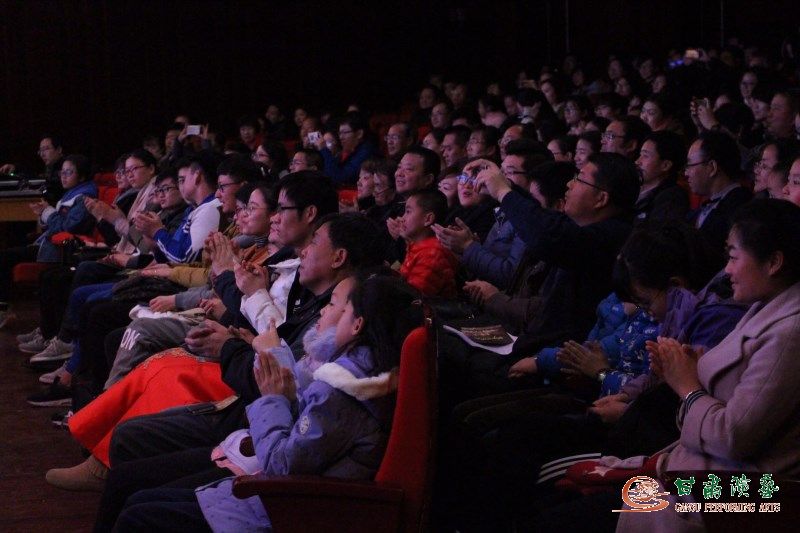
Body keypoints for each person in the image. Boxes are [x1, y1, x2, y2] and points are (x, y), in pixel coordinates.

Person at [111, 274, 424, 532]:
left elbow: (281, 464)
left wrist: (273, 396)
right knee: (136, 498)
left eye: (336, 306)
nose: (324, 313)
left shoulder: (344, 389)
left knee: (136, 513)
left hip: (285, 508)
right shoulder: (362, 374)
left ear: (357, 325)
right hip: (282, 493)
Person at [616, 199, 800, 532]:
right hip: (699, 473)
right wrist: (691, 366)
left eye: (733, 257)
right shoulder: (764, 308)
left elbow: (733, 436)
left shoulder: (790, 333)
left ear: (773, 262)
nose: (726, 270)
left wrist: (687, 385)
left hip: (735, 497)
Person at [0, 154, 97, 328]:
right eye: (62, 172)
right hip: (50, 243)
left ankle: (4, 309)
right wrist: (44, 214)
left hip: (62, 249)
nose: (63, 176)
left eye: (69, 172)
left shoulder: (84, 196)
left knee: (5, 257)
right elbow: (58, 224)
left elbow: (67, 228)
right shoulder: (72, 193)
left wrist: (48, 213)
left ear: (82, 176)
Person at [685, 131, 753, 264]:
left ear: (712, 167)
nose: (686, 173)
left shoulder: (739, 209)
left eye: (690, 165)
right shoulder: (705, 206)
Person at [399, 189, 458, 298]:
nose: (402, 218)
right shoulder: (417, 245)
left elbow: (414, 298)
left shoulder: (432, 253)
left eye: (408, 211)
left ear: (428, 219)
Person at [634, 130, 690, 224]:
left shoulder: (672, 198)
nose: (637, 162)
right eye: (640, 155)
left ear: (665, 165)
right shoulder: (631, 188)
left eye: (645, 156)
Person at [314, 112, 376, 185]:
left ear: (359, 134)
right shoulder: (350, 151)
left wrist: (324, 150)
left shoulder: (366, 152)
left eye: (345, 133)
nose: (341, 137)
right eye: (340, 133)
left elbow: (340, 178)